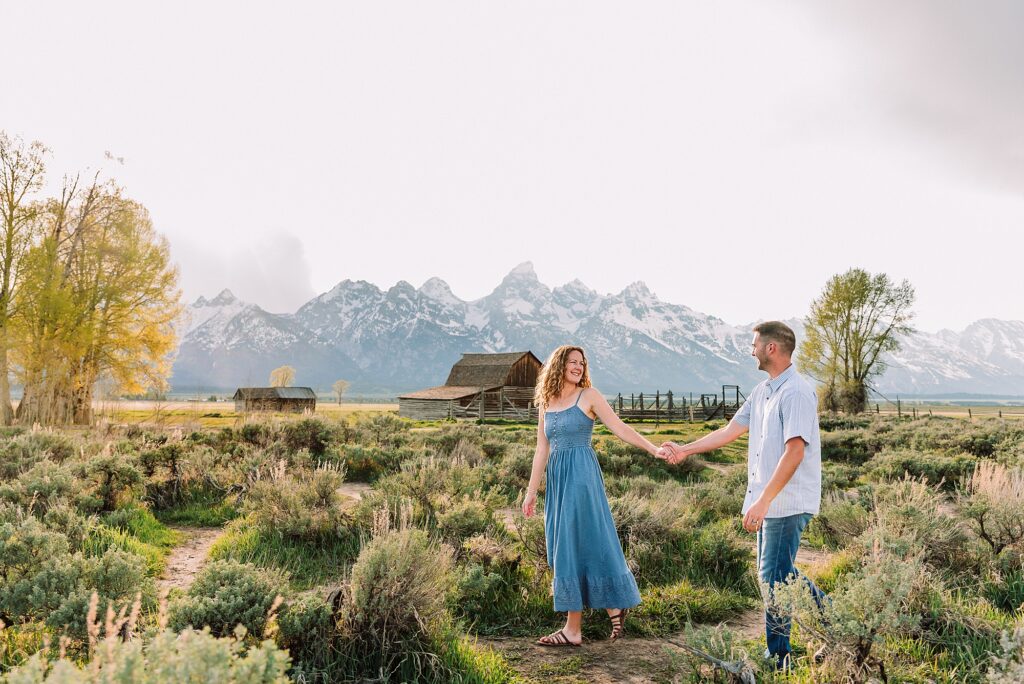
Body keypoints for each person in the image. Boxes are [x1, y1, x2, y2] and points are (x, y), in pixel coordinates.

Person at [659, 321, 827, 669]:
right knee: (777, 573)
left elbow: (795, 452)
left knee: (774, 575)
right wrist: (685, 449)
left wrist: (763, 501)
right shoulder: (763, 391)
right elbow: (728, 431)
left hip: (787, 501)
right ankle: (836, 623)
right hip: (768, 500)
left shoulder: (796, 392)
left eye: (755, 345)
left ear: (771, 348)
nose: (751, 351)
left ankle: (780, 655)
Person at [522, 344, 659, 647]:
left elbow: (620, 428)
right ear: (558, 366)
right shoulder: (546, 403)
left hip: (582, 480)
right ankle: (608, 608)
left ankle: (575, 628)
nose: (578, 367)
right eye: (572, 362)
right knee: (564, 545)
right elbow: (541, 449)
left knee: (578, 542)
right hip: (558, 482)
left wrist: (652, 448)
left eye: (581, 363)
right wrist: (531, 493)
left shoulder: (589, 396)